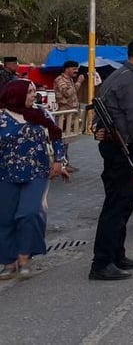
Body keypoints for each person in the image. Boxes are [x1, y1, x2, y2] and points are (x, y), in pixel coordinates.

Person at [89, 39, 133, 281]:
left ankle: (117, 255)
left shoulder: (122, 76)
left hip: (119, 148)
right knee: (117, 207)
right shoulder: (130, 81)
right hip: (124, 151)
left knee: (122, 205)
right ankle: (102, 262)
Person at [0, 80, 70, 279]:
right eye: (30, 92)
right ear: (16, 94)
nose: (34, 96)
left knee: (30, 213)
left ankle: (24, 257)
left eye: (33, 92)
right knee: (5, 218)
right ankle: (8, 262)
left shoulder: (40, 114)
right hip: (5, 174)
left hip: (37, 173)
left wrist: (59, 162)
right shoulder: (2, 117)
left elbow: (56, 136)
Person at [52, 61, 85, 174]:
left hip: (69, 114)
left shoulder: (70, 80)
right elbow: (67, 93)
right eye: (73, 69)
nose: (76, 71)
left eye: (77, 68)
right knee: (61, 139)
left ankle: (65, 163)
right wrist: (79, 83)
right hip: (63, 114)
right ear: (66, 69)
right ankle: (60, 164)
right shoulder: (60, 80)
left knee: (66, 139)